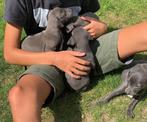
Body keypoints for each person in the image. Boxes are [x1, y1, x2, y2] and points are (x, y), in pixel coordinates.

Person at [3, 0, 147, 121]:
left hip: (85, 50)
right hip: (45, 59)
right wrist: (56, 59)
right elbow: (10, 53)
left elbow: (89, 18)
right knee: (19, 95)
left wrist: (101, 26)